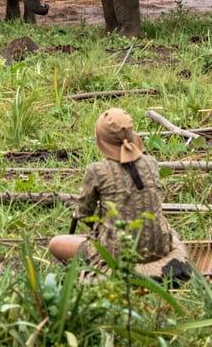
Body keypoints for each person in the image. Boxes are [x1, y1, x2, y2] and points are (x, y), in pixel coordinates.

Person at [49, 108, 191, 282]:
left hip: (116, 251)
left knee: (57, 244)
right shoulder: (151, 163)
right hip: (158, 248)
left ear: (101, 140)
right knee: (173, 235)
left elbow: (85, 214)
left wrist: (92, 217)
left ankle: (120, 273)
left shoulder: (97, 170)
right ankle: (167, 267)